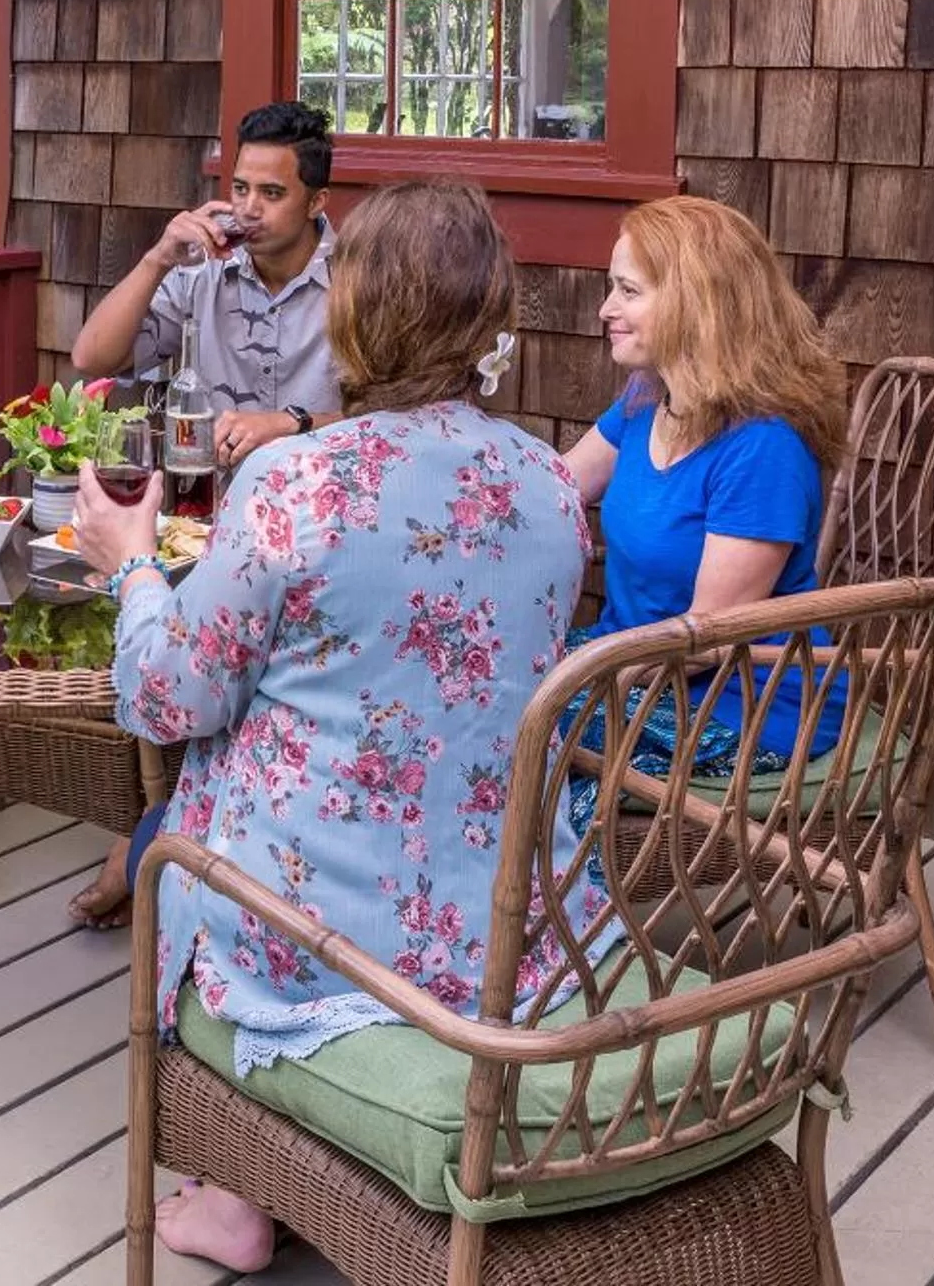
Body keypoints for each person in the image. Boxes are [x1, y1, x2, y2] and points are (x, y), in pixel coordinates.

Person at [71, 177, 594, 1274]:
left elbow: (168, 699)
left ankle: (235, 1187)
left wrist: (131, 567)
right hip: (507, 923)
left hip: (306, 935)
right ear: (491, 319)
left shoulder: (294, 483)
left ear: (349, 310)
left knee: (166, 837)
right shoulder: (548, 484)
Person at [559, 194, 847, 796]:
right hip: (635, 665)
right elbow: (555, 490)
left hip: (742, 705)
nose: (606, 308)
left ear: (697, 303)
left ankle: (555, 861)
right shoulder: (646, 399)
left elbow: (703, 642)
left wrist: (572, 675)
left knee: (519, 724)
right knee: (477, 685)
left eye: (628, 291)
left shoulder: (763, 447)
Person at [69, 100, 343, 471]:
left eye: (272, 193)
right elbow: (92, 359)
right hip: (211, 499)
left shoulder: (359, 281)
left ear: (316, 202)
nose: (249, 208)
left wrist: (293, 423)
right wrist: (158, 259)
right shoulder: (203, 270)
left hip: (323, 498)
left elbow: (397, 417)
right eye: (241, 189)